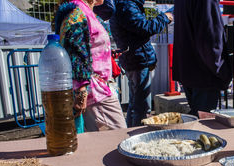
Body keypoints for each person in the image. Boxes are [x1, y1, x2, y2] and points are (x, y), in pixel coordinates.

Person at [55, 0, 127, 132]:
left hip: (97, 87)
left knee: (101, 139)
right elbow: (74, 52)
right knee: (118, 136)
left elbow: (87, 46)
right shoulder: (76, 13)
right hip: (94, 90)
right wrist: (81, 91)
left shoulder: (84, 11)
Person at [110, 1, 173, 127]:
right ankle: (137, 135)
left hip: (134, 58)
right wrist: (164, 17)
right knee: (141, 107)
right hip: (137, 59)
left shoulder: (124, 5)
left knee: (135, 104)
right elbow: (145, 28)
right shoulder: (127, 6)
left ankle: (130, 133)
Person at [172, 0, 232, 117]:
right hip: (204, 73)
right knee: (203, 123)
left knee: (197, 120)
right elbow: (210, 38)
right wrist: (222, 72)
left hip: (188, 68)